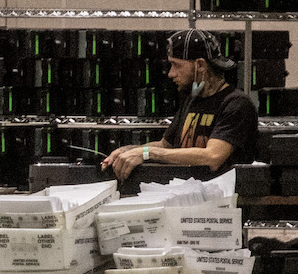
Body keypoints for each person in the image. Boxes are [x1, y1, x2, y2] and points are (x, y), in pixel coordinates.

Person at [102, 28, 258, 180]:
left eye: (176, 65)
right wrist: (128, 151)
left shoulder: (236, 104)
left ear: (200, 65)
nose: (171, 73)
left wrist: (147, 153)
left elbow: (213, 157)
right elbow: (166, 146)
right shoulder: (192, 99)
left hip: (221, 198)